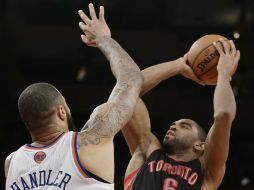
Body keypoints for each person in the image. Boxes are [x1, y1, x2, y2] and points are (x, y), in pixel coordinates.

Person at [5, 3, 143, 190]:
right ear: (61, 111)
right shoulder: (88, 143)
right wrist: (104, 39)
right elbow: (132, 78)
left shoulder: (11, 163)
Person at [122, 39, 240, 190]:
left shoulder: (206, 174)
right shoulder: (146, 150)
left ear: (200, 145)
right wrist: (178, 65)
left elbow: (224, 115)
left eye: (184, 126)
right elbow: (126, 89)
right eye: (173, 124)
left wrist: (223, 74)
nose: (173, 127)